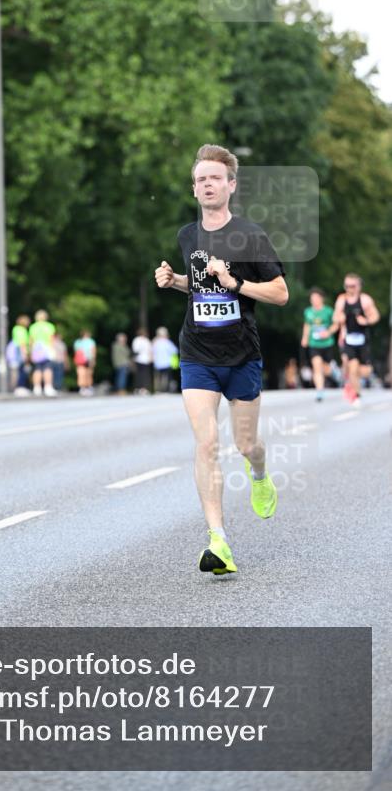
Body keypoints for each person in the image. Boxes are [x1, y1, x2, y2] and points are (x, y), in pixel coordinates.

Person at [155, 143, 288, 576]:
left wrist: (235, 281)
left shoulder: (250, 235)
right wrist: (175, 280)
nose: (206, 184)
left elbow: (280, 294)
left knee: (245, 445)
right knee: (207, 443)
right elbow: (199, 290)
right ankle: (218, 541)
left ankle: (261, 473)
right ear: (194, 190)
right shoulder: (186, 237)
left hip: (243, 355)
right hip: (197, 353)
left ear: (231, 185)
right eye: (200, 179)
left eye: (214, 177)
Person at [332, 273, 380, 404]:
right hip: (348, 340)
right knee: (352, 366)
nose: (349, 289)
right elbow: (335, 316)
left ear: (358, 286)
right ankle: (356, 395)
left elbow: (375, 316)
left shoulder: (365, 300)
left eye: (352, 286)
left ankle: (353, 381)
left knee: (365, 371)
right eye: (347, 286)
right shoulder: (342, 300)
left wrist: (366, 321)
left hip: (363, 340)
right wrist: (339, 318)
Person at [300, 288, 339, 401]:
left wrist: (328, 332)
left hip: (327, 343)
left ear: (322, 299)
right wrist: (305, 338)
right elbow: (307, 325)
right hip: (314, 343)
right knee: (316, 367)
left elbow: (336, 325)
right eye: (312, 299)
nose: (314, 300)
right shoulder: (308, 311)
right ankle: (320, 391)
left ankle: (334, 371)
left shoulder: (328, 311)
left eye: (316, 298)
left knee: (326, 369)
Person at [28, 309, 57, 397]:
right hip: (46, 349)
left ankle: (37, 387)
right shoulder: (49, 326)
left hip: (36, 349)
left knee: (37, 369)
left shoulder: (33, 327)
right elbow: (52, 339)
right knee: (47, 368)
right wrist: (53, 350)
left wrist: (31, 351)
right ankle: (48, 387)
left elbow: (31, 340)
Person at [152, 326, 178, 393]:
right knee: (166, 377)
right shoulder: (167, 342)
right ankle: (165, 389)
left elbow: (152, 351)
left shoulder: (155, 342)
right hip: (166, 363)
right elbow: (175, 351)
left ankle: (158, 390)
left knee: (158, 377)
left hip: (157, 363)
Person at [73, 328, 97, 396]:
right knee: (85, 374)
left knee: (84, 374)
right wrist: (93, 359)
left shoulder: (78, 342)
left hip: (83, 359)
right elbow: (93, 351)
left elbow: (76, 351)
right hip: (86, 359)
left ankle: (85, 387)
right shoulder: (91, 341)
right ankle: (85, 387)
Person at [11, 315, 31, 394]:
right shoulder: (22, 330)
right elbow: (22, 343)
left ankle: (18, 387)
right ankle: (20, 387)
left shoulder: (15, 329)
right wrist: (25, 354)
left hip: (16, 352)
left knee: (18, 370)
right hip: (20, 351)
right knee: (22, 370)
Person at [131, 327, 153, 394]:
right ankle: (138, 388)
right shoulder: (137, 340)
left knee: (145, 375)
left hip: (145, 360)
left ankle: (144, 388)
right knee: (139, 375)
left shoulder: (146, 340)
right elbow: (135, 350)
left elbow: (150, 350)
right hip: (139, 359)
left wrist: (151, 357)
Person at [51, 327, 70, 391]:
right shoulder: (59, 344)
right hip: (55, 361)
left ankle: (56, 387)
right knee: (55, 375)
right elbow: (65, 354)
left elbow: (65, 354)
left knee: (58, 375)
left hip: (58, 361)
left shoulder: (53, 343)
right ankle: (55, 387)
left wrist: (66, 363)